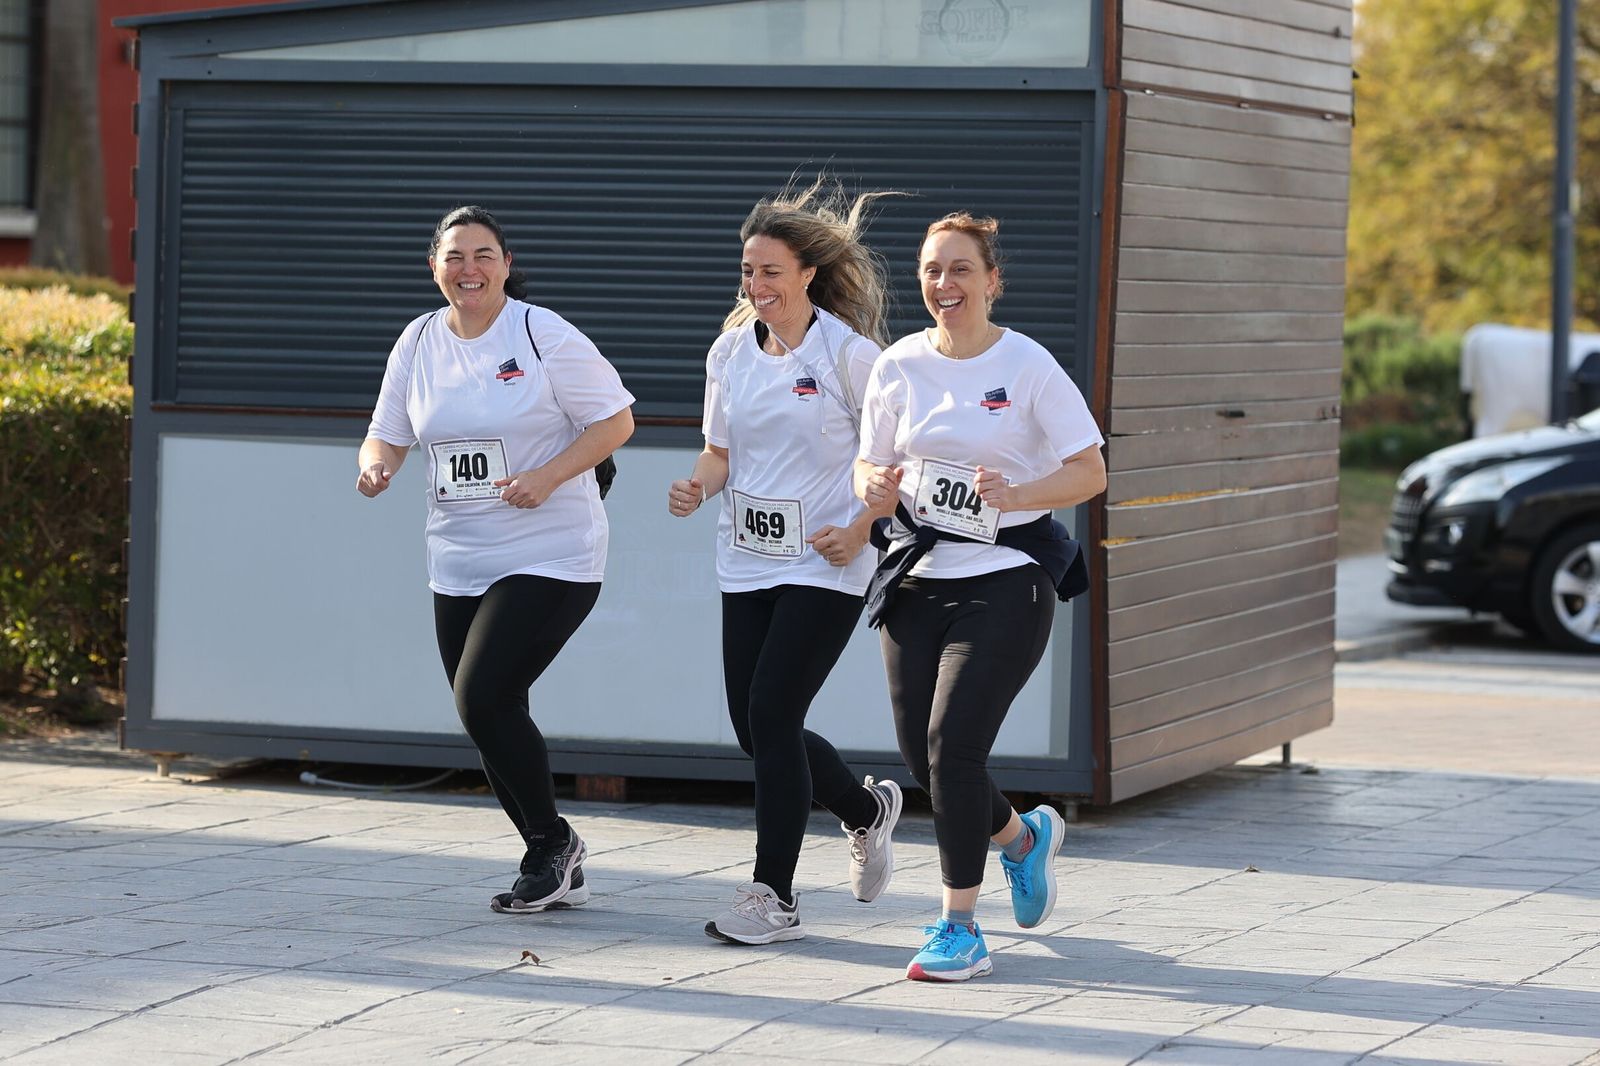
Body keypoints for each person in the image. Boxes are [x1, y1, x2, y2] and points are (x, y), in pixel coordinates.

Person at [357, 205, 634, 915]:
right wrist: (377, 466)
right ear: (434, 268)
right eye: (454, 256)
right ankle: (553, 852)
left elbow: (616, 420)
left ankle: (549, 843)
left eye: (483, 254)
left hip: (553, 550)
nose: (469, 268)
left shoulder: (541, 333)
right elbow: (387, 433)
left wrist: (547, 476)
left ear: (506, 265)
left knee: (483, 695)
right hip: (458, 556)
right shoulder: (418, 340)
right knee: (484, 710)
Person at [855, 212, 1107, 981]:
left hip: (1007, 580)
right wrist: (872, 485)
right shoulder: (897, 365)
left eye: (961, 269)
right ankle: (1023, 841)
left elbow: (1089, 470)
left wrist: (1020, 491)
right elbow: (868, 469)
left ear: (992, 280)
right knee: (927, 761)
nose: (945, 284)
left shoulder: (1026, 365)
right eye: (933, 270)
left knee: (952, 748)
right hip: (918, 579)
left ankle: (958, 926)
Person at [667, 179, 904, 945]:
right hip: (747, 557)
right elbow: (719, 453)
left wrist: (865, 525)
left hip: (827, 560)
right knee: (755, 726)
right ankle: (865, 810)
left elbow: (899, 457)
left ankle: (775, 897)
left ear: (807, 273)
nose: (756, 286)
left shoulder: (851, 356)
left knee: (772, 713)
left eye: (771, 271)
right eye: (748, 272)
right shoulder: (731, 349)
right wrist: (698, 488)